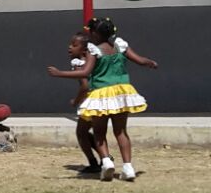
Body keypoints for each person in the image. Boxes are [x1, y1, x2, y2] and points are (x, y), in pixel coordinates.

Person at [48, 17, 157, 182]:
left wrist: (59, 73)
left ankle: (106, 162)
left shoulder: (94, 51)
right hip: (122, 92)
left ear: (95, 34)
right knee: (121, 131)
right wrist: (150, 62)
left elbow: (85, 72)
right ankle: (128, 167)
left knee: (99, 132)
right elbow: (141, 60)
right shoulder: (120, 46)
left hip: (101, 94)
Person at [66, 30, 102, 175]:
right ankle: (105, 158)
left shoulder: (78, 64)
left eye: (74, 45)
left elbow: (85, 86)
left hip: (90, 102)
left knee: (81, 133)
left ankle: (94, 162)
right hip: (102, 99)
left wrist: (76, 101)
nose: (70, 47)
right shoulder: (95, 62)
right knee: (93, 132)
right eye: (70, 44)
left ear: (84, 50)